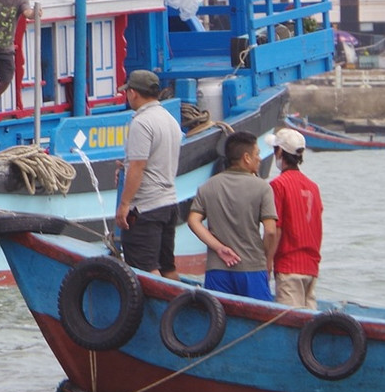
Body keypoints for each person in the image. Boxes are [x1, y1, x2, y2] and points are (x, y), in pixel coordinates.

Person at [187, 130, 277, 300]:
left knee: (218, 318)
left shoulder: (207, 186)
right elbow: (271, 231)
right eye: (256, 154)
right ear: (246, 158)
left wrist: (218, 248)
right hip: (251, 268)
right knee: (259, 318)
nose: (259, 158)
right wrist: (266, 260)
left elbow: (193, 221)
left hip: (217, 269)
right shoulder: (262, 187)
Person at [116, 67, 183, 279]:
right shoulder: (170, 119)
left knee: (146, 269)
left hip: (146, 208)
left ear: (133, 93)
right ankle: (181, 309)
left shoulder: (141, 122)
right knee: (167, 266)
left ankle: (158, 312)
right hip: (169, 204)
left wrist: (124, 205)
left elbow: (138, 166)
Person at [268, 126, 323, 307]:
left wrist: (267, 262)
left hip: (288, 266)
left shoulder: (278, 185)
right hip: (311, 267)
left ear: (280, 152)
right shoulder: (313, 187)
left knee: (290, 320)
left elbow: (275, 230)